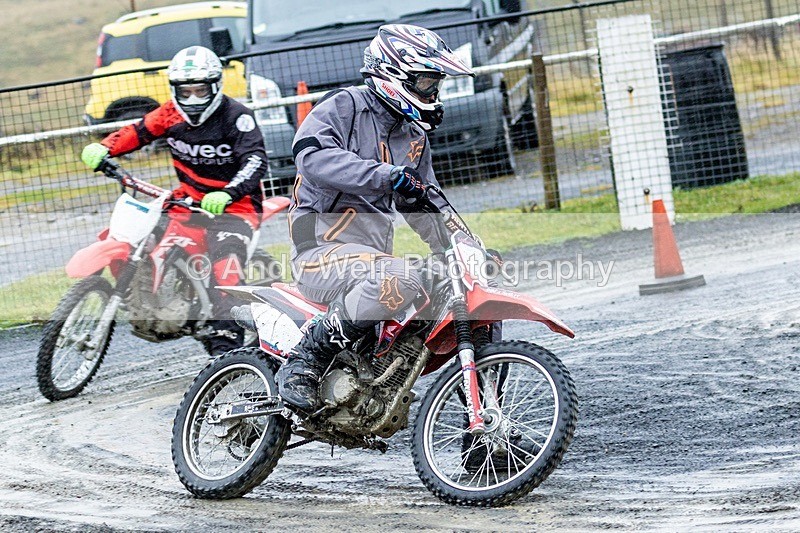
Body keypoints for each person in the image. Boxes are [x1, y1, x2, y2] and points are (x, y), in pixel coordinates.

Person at [276, 24, 475, 411]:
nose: (433, 93)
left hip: (371, 260)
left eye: (436, 85)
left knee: (469, 293)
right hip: (320, 251)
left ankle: (482, 427)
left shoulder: (413, 135)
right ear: (394, 72)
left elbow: (427, 200)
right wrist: (385, 176)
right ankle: (306, 360)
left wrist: (466, 246)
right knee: (398, 276)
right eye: (426, 82)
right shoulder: (344, 106)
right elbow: (310, 156)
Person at [80, 46, 268, 356]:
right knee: (142, 239)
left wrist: (228, 193)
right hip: (186, 202)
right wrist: (105, 148)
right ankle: (156, 304)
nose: (193, 99)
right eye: (186, 91)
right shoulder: (169, 112)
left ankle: (227, 350)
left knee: (226, 275)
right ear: (174, 89)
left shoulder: (237, 117)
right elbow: (138, 132)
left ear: (216, 86)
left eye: (200, 90)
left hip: (235, 209)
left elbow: (255, 160)